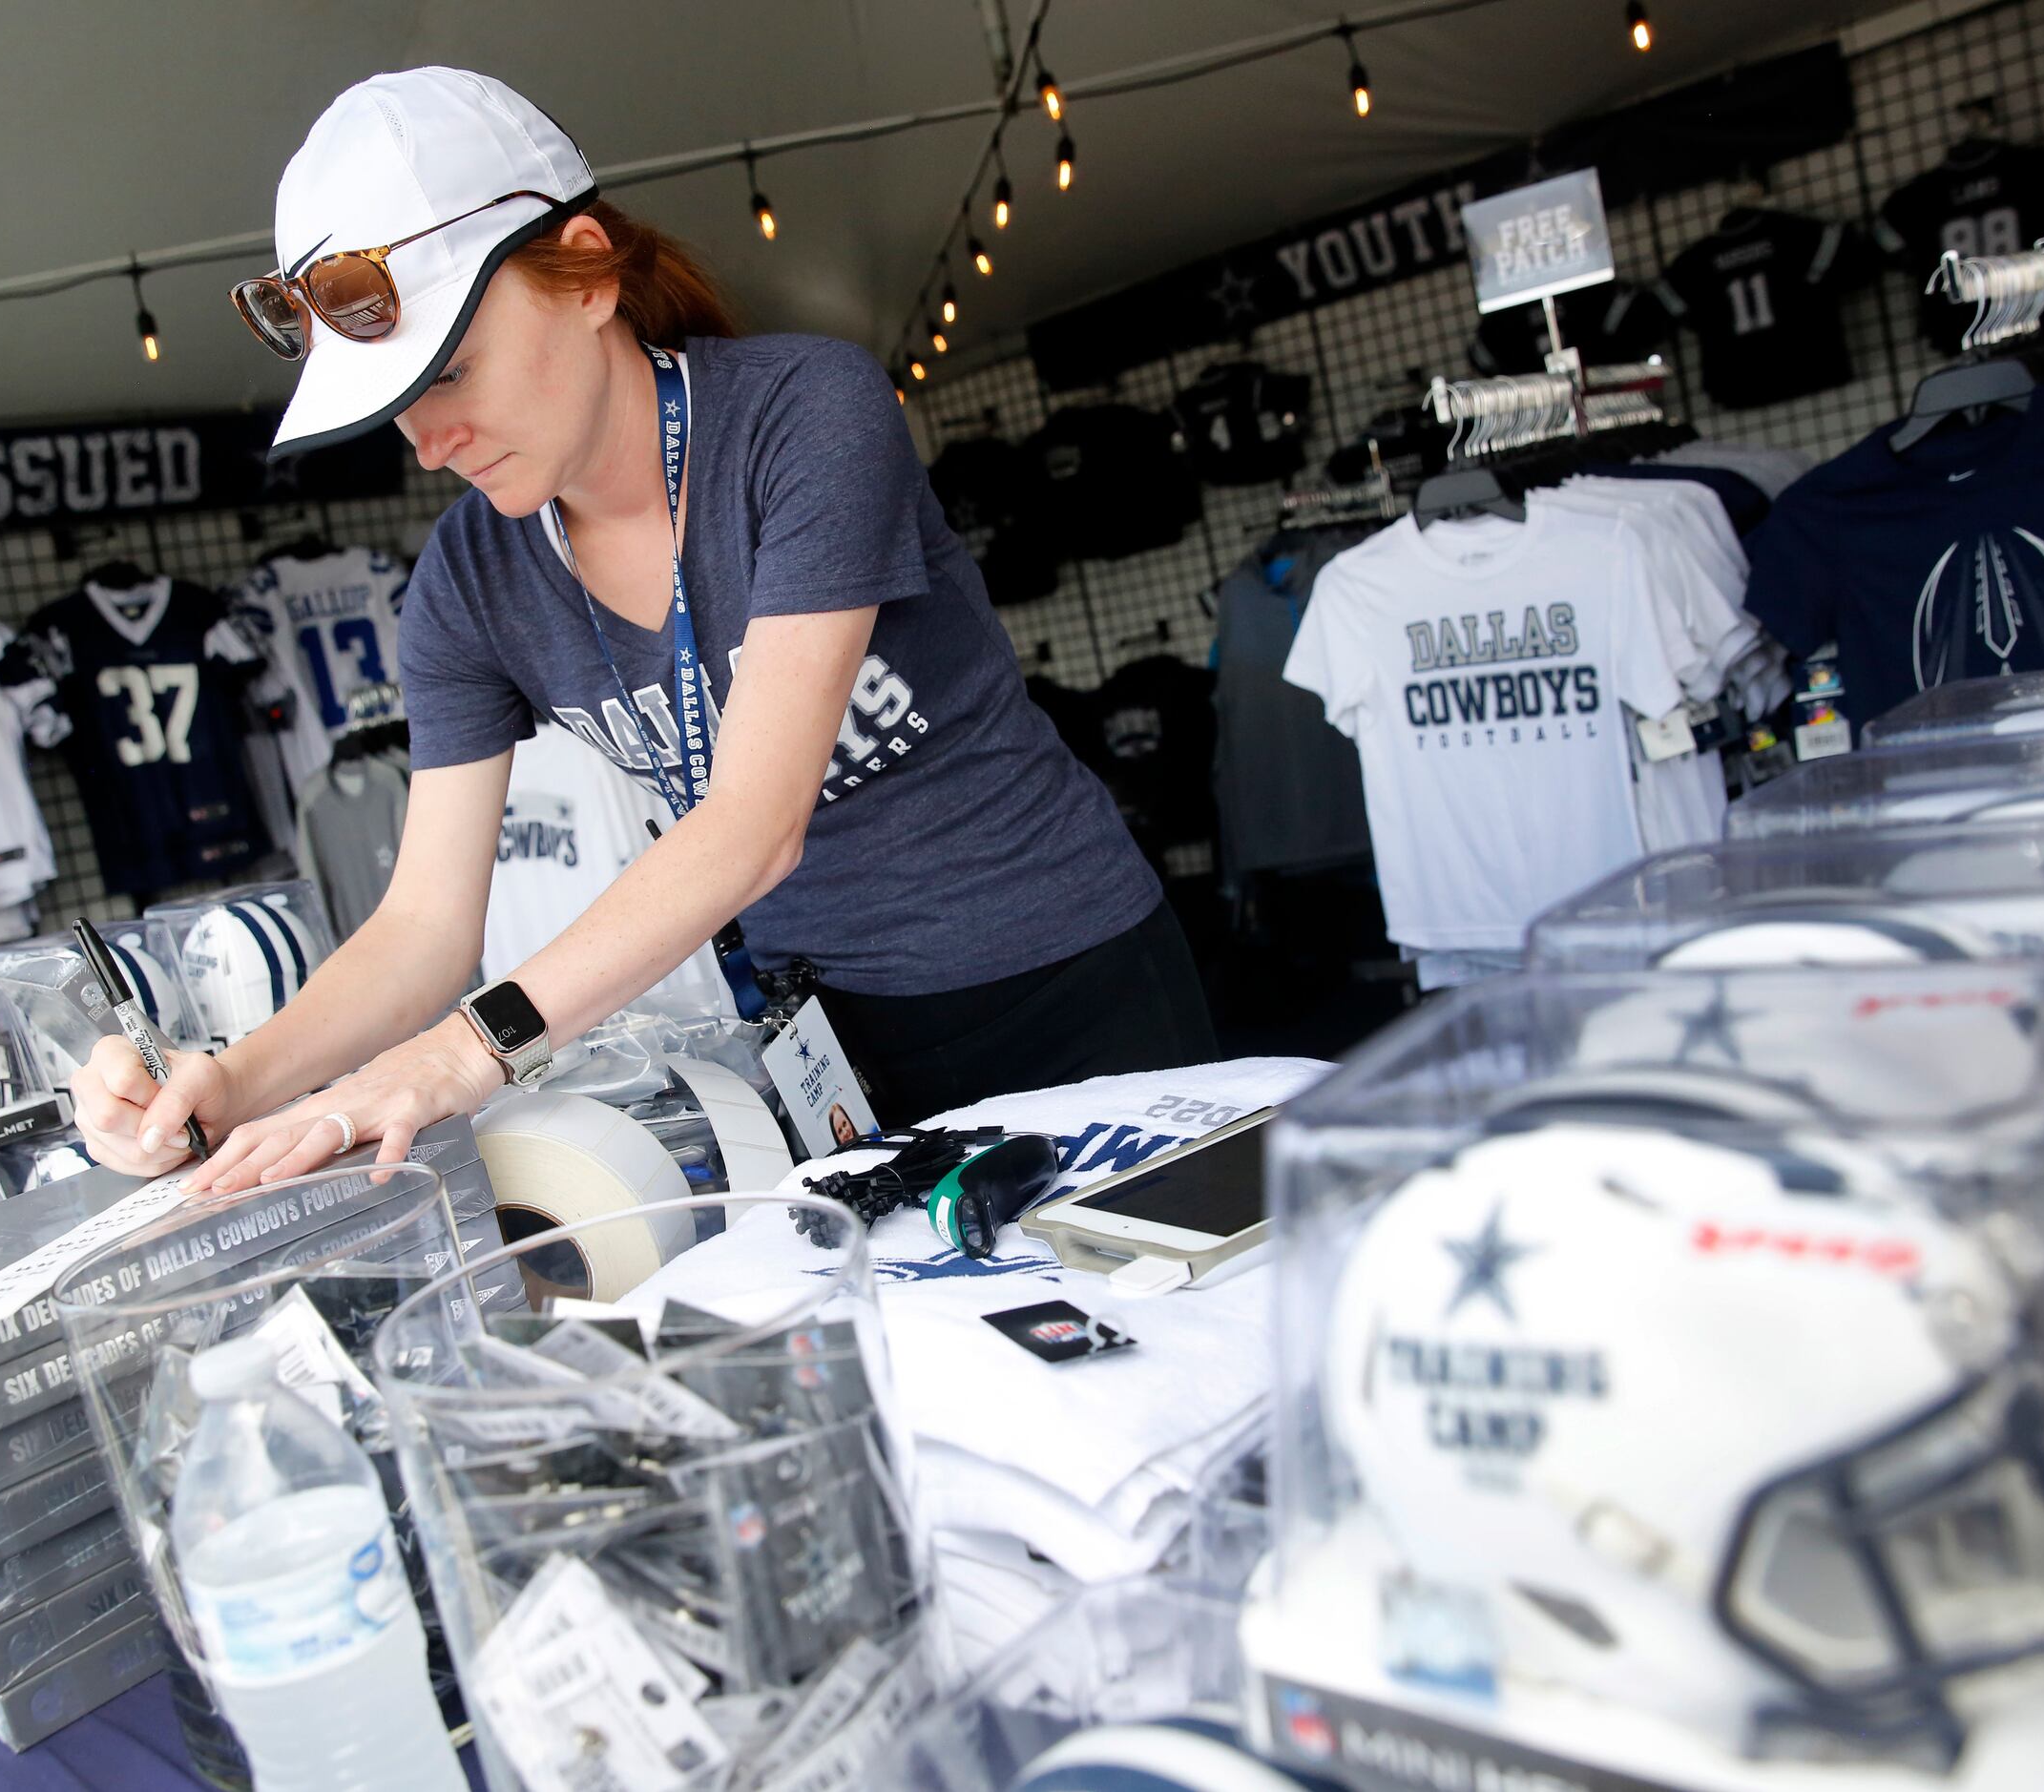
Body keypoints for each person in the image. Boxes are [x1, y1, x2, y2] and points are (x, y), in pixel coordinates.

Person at [72, 68, 1214, 1194]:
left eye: (452, 369)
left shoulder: (804, 413)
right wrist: (229, 1080)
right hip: (831, 1048)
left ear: (584, 276)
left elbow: (754, 828)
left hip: (1066, 983)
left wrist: (459, 1056)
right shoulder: (466, 584)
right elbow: (422, 923)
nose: (428, 442)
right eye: (396, 402)